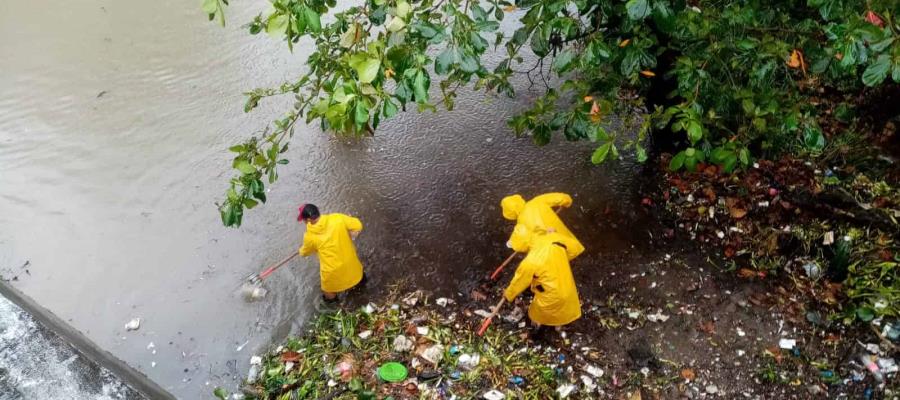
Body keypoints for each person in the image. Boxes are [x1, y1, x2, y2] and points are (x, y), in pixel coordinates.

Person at [502, 230, 584, 331]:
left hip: (552, 295)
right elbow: (573, 249)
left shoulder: (530, 262)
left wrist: (508, 294)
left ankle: (542, 325)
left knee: (537, 312)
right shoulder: (554, 240)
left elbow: (519, 281)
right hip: (568, 286)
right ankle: (562, 322)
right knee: (564, 306)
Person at [297, 204, 365, 303]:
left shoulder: (309, 237)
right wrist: (350, 233)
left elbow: (304, 252)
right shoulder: (338, 218)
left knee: (327, 291)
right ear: (318, 211)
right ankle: (361, 286)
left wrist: (300, 251)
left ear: (308, 220)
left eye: (303, 220)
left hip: (332, 271)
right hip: (351, 264)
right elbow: (358, 225)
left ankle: (336, 306)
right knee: (358, 275)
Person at [500, 193, 582, 254]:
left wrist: (510, 244)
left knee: (560, 255)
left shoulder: (521, 224)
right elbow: (560, 198)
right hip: (563, 236)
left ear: (510, 213)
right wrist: (567, 202)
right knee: (570, 245)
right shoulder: (537, 201)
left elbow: (519, 242)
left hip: (551, 249)